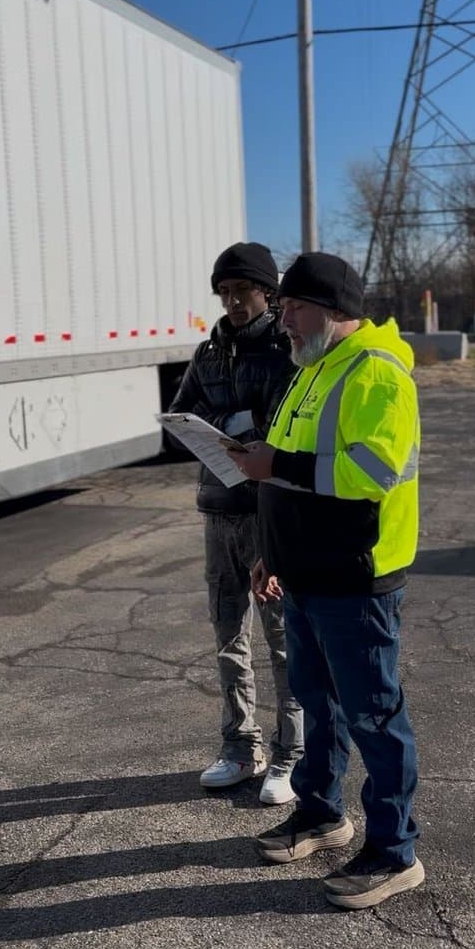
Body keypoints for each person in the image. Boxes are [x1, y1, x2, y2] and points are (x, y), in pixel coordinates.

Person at [228, 251, 424, 910]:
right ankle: (320, 814)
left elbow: (371, 473)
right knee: (318, 701)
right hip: (306, 572)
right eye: (282, 306)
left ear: (334, 312)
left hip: (356, 577)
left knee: (374, 716)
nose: (282, 318)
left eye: (292, 307)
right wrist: (270, 552)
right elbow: (285, 477)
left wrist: (272, 463)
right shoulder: (311, 370)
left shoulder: (374, 371)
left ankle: (395, 854)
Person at [170, 242, 303, 803]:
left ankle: (290, 755)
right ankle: (238, 747)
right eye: (225, 294)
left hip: (266, 512)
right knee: (228, 636)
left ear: (266, 292)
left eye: (242, 292)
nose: (233, 303)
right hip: (217, 510)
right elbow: (181, 420)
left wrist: (231, 424)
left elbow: (282, 429)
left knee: (282, 641)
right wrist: (229, 424)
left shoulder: (285, 352)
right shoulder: (207, 354)